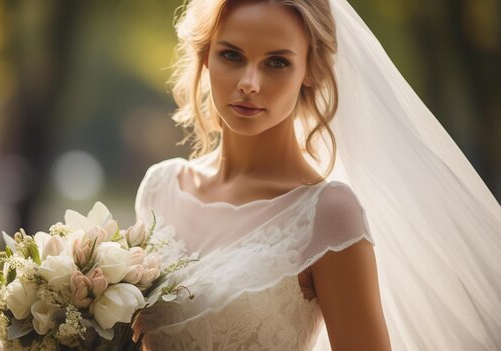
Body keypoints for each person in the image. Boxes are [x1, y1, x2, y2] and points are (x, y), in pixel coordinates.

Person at [133, 0, 501, 350]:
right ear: (205, 56)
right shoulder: (161, 188)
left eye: (276, 62)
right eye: (231, 55)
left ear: (309, 69)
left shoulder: (327, 213)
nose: (249, 83)